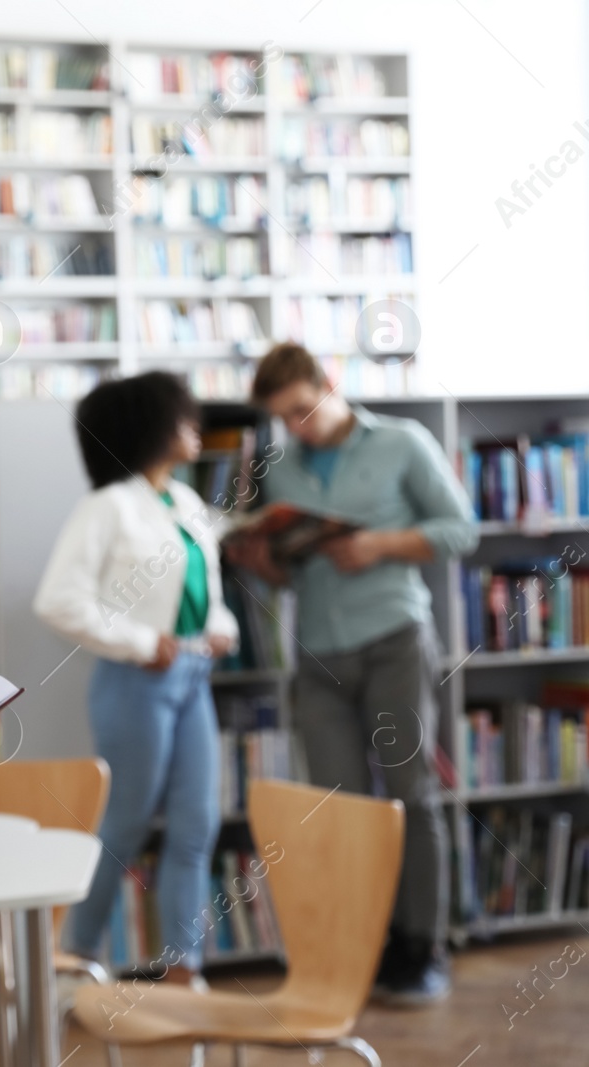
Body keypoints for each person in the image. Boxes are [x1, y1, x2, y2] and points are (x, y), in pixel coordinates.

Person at [230, 342, 477, 1005]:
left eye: (305, 409)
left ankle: (421, 945)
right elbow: (290, 571)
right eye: (286, 418)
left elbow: (461, 529)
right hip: (318, 651)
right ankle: (358, 943)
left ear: (330, 381)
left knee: (409, 790)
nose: (300, 426)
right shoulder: (280, 471)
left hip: (393, 635)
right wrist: (262, 562)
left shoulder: (403, 441)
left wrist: (381, 543)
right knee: (337, 804)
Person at [33, 371, 240, 986]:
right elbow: (58, 602)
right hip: (136, 685)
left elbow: (208, 594)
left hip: (192, 680)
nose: (194, 426)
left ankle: (185, 968)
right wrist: (143, 642)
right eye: (182, 416)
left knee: (196, 822)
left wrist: (220, 625)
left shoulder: (187, 503)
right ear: (149, 427)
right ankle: (74, 960)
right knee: (123, 825)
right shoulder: (106, 508)